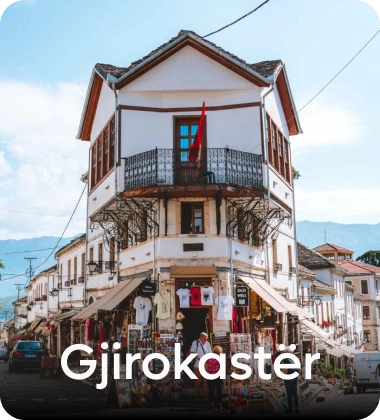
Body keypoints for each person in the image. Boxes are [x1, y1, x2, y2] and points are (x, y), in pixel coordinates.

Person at [190, 332, 211, 401]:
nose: (206, 340)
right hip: (197, 365)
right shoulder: (195, 343)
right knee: (198, 381)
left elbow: (210, 353)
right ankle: (197, 396)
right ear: (201, 338)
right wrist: (200, 359)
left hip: (205, 365)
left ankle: (204, 396)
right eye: (205, 339)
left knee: (205, 381)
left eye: (207, 339)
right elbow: (192, 353)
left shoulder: (207, 343)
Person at [281, 346, 300, 414]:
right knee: (294, 393)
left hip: (288, 379)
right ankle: (297, 408)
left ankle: (290, 408)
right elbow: (299, 370)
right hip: (295, 378)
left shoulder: (285, 360)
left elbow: (285, 371)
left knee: (289, 393)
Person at [205, 345, 224, 410]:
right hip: (218, 377)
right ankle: (219, 404)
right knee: (219, 391)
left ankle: (211, 404)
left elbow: (206, 365)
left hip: (210, 376)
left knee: (211, 390)